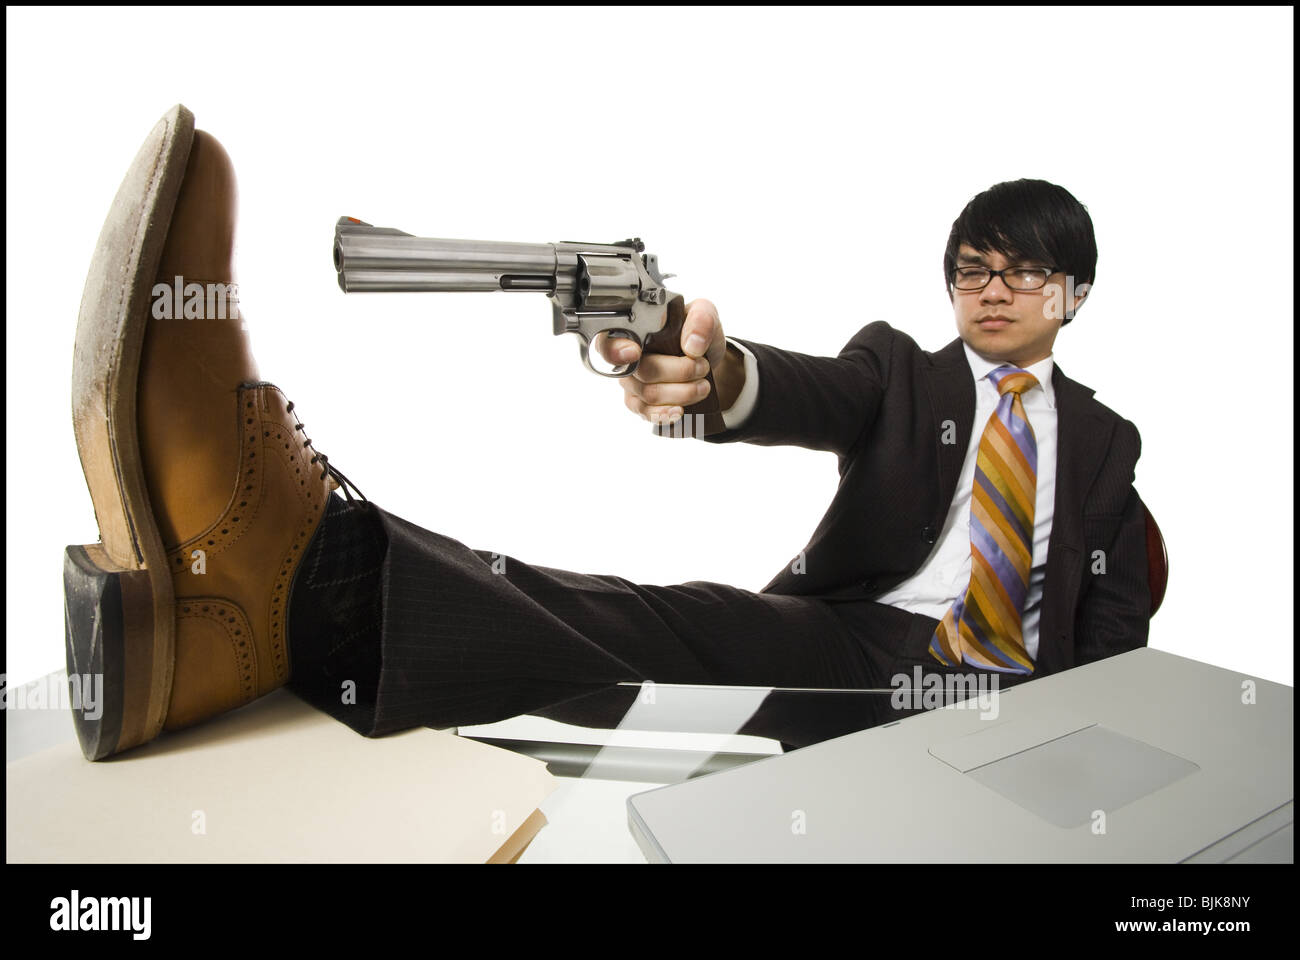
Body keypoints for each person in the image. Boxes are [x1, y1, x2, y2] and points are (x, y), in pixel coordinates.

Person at [66, 105, 1148, 761]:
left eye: (1021, 271)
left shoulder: (1105, 445)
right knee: (654, 628)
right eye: (971, 266)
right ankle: (302, 583)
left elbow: (1114, 631)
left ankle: (234, 625)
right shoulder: (901, 376)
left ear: (1075, 294)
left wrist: (1081, 750)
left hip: (1017, 701)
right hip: (868, 647)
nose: (990, 288)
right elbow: (801, 392)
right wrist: (710, 376)